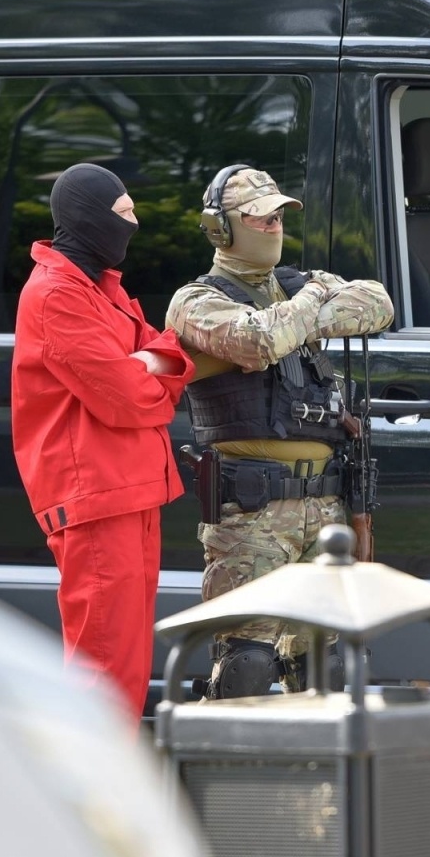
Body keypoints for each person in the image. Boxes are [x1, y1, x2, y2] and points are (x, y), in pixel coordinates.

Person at [166, 165, 393, 698]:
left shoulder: (292, 287)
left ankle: (319, 781)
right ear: (221, 229)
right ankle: (227, 779)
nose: (273, 226)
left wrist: (297, 310)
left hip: (327, 501)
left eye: (278, 217)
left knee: (327, 667)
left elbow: (376, 303)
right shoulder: (197, 301)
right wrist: (314, 303)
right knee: (247, 663)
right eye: (259, 218)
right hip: (252, 509)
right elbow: (258, 343)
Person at [11, 163, 195, 720]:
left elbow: (169, 354)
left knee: (130, 667)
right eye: (123, 213)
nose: (133, 223)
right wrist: (150, 370)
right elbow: (126, 396)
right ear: (90, 216)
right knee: (103, 672)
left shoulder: (100, 287)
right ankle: (90, 802)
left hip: (131, 490)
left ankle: (113, 797)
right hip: (96, 496)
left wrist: (148, 366)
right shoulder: (56, 295)